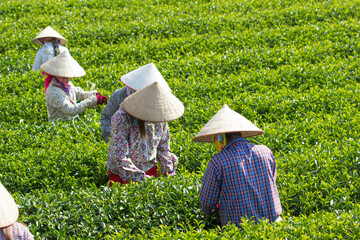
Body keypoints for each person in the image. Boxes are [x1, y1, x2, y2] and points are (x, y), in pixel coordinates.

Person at [193, 104, 282, 228]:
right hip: (276, 226)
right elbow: (272, 183)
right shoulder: (265, 152)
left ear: (220, 137)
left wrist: (215, 210)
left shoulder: (218, 161)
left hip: (240, 232)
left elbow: (207, 204)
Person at [106, 80, 184, 187]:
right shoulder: (121, 118)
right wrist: (142, 179)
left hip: (150, 171)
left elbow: (163, 148)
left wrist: (169, 173)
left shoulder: (160, 116)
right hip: (123, 175)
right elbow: (119, 157)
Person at [100, 63, 171, 143]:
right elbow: (106, 117)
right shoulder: (119, 96)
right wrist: (114, 137)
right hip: (121, 141)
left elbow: (162, 139)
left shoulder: (157, 102)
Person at [40, 51, 108, 122]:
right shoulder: (52, 92)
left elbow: (79, 94)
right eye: (63, 75)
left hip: (73, 122)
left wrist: (94, 94)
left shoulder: (66, 83)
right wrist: (92, 101)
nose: (67, 78)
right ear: (55, 74)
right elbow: (70, 110)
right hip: (60, 127)